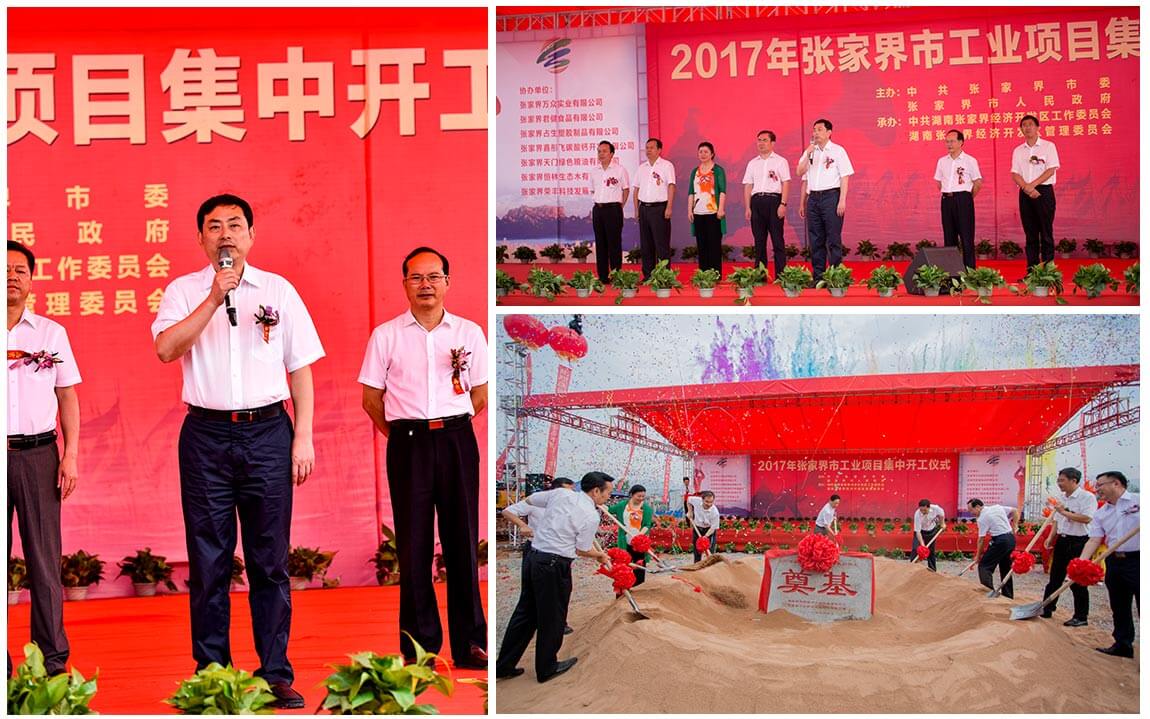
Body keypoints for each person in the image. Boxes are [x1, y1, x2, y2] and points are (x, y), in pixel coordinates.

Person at [152, 194, 324, 709]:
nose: (224, 234)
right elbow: (165, 349)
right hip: (205, 436)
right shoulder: (184, 291)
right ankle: (212, 675)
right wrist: (213, 298)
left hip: (268, 433)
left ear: (251, 234)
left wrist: (303, 436)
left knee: (270, 561)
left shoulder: (279, 291)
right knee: (208, 561)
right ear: (200, 238)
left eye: (234, 225)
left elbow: (300, 368)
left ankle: (274, 673)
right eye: (214, 226)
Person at [359, 246, 488, 669]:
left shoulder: (469, 332)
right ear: (405, 285)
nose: (425, 284)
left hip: (455, 440)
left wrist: (446, 427)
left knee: (462, 542)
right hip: (408, 444)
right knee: (413, 547)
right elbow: (371, 399)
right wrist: (404, 435)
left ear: (447, 282)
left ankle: (471, 643)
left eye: (434, 276)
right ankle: (420, 648)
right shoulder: (386, 336)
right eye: (416, 277)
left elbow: (480, 394)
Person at [7, 240, 80, 678]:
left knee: (45, 562)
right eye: (4, 269)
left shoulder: (50, 334)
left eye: (20, 270)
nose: (12, 276)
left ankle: (51, 663)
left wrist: (71, 455)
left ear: (32, 280)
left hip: (38, 456)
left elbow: (67, 396)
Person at [496, 472, 614, 682]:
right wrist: (600, 555)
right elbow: (581, 549)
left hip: (534, 558)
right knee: (553, 617)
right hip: (554, 565)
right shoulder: (591, 515)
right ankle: (547, 667)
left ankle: (504, 665)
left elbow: (530, 500)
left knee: (525, 613)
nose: (608, 497)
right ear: (596, 491)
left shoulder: (560, 494)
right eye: (608, 492)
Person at [502, 477, 576, 635]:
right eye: (567, 490)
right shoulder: (537, 501)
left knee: (561, 590)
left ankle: (559, 623)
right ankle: (533, 624)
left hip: (558, 552)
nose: (570, 494)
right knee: (532, 591)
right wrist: (523, 525)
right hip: (535, 550)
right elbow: (507, 511)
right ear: (555, 490)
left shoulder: (569, 505)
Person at [1078, 471, 1139, 658]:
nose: (1097, 489)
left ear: (1116, 483)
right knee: (1119, 605)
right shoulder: (1101, 513)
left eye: (1100, 485)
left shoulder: (1139, 501)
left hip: (1139, 559)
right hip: (1114, 560)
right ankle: (1123, 644)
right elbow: (1094, 540)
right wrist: (1081, 563)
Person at [797, 118, 854, 283]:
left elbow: (845, 177)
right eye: (814, 130)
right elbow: (800, 173)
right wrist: (808, 153)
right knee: (815, 239)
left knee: (833, 238)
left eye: (820, 129)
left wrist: (842, 200)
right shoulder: (810, 151)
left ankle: (836, 277)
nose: (816, 133)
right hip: (813, 198)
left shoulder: (838, 151)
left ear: (829, 132)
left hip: (831, 197)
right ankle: (818, 277)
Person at [1041, 468, 1095, 625]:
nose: (1059, 484)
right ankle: (1047, 608)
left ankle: (1081, 616)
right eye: (1058, 480)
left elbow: (1086, 518)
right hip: (1063, 540)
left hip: (1080, 542)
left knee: (1077, 580)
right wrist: (1051, 537)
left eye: (1062, 480)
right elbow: (1057, 520)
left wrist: (1064, 512)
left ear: (1074, 481)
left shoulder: (1087, 497)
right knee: (1055, 577)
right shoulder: (1062, 498)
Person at [1010, 114, 1060, 269]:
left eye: (1030, 124)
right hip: (1025, 193)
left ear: (1038, 127)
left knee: (1046, 233)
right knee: (1030, 234)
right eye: (1024, 125)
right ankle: (1032, 271)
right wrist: (1027, 187)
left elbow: (1051, 169)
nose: (1027, 128)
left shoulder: (1048, 146)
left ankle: (1048, 271)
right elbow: (1015, 173)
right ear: (1021, 129)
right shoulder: (1018, 150)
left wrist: (1033, 185)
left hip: (1043, 191)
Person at [742, 130, 791, 278]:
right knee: (759, 240)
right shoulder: (752, 163)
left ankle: (781, 275)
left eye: (764, 140)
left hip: (774, 201)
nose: (761, 143)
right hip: (756, 202)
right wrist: (748, 207)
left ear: (772, 143)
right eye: (759, 140)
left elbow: (786, 183)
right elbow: (748, 185)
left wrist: (783, 204)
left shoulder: (780, 161)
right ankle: (760, 275)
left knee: (777, 239)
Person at [933, 129, 983, 268]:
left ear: (961, 142)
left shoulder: (970, 160)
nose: (949, 144)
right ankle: (952, 271)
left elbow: (978, 183)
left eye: (952, 141)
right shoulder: (942, 161)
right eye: (947, 142)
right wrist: (949, 194)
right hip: (946, 200)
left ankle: (969, 271)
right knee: (949, 237)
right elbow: (939, 182)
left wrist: (967, 197)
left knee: (966, 237)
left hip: (963, 199)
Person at [632, 138, 676, 280]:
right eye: (647, 148)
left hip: (659, 209)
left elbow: (671, 186)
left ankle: (664, 276)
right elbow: (636, 190)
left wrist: (669, 207)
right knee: (646, 245)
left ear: (659, 150)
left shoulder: (666, 166)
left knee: (661, 244)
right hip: (644, 208)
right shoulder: (642, 167)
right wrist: (636, 209)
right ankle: (648, 276)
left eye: (651, 147)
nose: (648, 150)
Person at [590, 140, 630, 283]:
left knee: (614, 244)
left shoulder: (619, 170)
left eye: (604, 151)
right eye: (599, 151)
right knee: (600, 244)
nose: (601, 154)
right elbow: (593, 190)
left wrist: (620, 206)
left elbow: (626, 189)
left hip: (613, 210)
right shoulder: (594, 171)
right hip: (598, 210)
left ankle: (616, 275)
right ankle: (602, 276)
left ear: (612, 153)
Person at [687, 141, 727, 275]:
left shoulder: (718, 170)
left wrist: (721, 209)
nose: (703, 154)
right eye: (700, 152)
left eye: (706, 152)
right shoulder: (695, 172)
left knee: (714, 245)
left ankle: (715, 275)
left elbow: (722, 191)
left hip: (713, 212)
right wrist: (689, 210)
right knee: (701, 245)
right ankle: (703, 275)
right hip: (698, 212)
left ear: (712, 154)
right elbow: (691, 192)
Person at [967, 498, 1018, 598]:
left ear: (978, 507)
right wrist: (1014, 526)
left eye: (971, 510)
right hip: (1011, 539)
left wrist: (978, 556)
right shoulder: (997, 507)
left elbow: (981, 540)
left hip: (1000, 541)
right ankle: (1008, 595)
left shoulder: (982, 518)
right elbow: (1015, 511)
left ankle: (988, 592)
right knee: (1005, 566)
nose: (971, 513)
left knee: (984, 566)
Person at [607, 484, 654, 586]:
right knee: (624, 565)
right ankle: (624, 588)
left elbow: (647, 525)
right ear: (632, 494)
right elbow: (609, 510)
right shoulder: (622, 506)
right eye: (638, 496)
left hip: (639, 543)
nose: (641, 498)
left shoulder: (646, 509)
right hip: (625, 540)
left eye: (643, 496)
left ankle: (637, 587)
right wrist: (599, 504)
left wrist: (638, 536)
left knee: (639, 566)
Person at [911, 499, 946, 571]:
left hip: (931, 530)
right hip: (920, 532)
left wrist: (942, 523)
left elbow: (942, 514)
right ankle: (912, 568)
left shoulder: (936, 508)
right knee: (915, 548)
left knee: (931, 551)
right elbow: (918, 532)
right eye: (921, 510)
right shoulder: (917, 514)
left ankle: (932, 569)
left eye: (924, 510)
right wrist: (923, 545)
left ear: (928, 507)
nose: (922, 512)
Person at [685, 490, 720, 562]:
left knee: (710, 550)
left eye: (711, 502)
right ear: (702, 499)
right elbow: (688, 500)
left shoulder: (715, 512)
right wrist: (690, 511)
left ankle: (710, 565)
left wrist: (705, 537)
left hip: (709, 531)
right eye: (707, 501)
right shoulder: (696, 501)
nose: (709, 504)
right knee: (697, 550)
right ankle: (697, 565)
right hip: (697, 528)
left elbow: (713, 528)